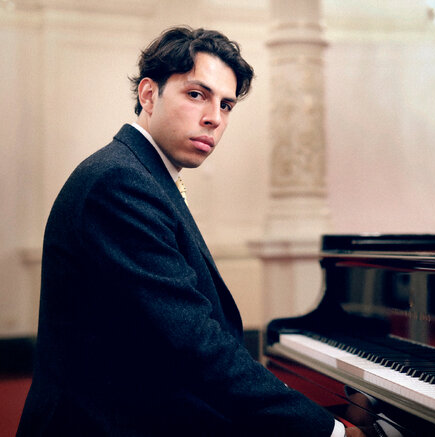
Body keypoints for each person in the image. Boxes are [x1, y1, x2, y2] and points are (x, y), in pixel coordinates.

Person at [17, 26, 363, 437]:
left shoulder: (139, 172)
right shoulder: (120, 182)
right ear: (149, 95)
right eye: (197, 94)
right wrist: (330, 431)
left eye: (226, 105)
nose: (214, 118)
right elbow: (193, 343)